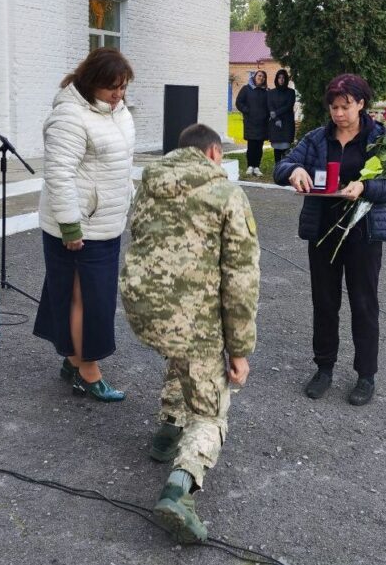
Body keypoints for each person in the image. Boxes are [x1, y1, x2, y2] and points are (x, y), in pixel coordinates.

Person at [120, 123, 259, 543]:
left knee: (180, 352)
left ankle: (167, 429)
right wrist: (239, 350)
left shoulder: (148, 182)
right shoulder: (227, 194)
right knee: (211, 411)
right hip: (192, 319)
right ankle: (180, 489)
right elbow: (241, 280)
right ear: (214, 153)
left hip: (144, 308)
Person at [273, 73, 386, 406]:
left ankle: (365, 375)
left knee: (364, 304)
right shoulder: (318, 139)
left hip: (363, 234)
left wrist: (366, 187)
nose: (339, 114)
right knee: (324, 302)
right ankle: (323, 369)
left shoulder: (380, 140)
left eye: (345, 107)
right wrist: (293, 171)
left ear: (361, 104)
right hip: (323, 232)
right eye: (334, 107)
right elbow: (282, 166)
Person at [33, 47, 135, 402]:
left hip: (105, 222)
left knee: (88, 296)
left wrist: (128, 197)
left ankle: (72, 359)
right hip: (78, 227)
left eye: (123, 87)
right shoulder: (70, 116)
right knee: (86, 299)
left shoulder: (115, 110)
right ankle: (87, 371)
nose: (119, 94)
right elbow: (58, 174)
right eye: (112, 87)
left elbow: (119, 162)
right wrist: (70, 227)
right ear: (93, 81)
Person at [235, 69, 268, 176]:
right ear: (255, 77)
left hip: (262, 123)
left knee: (259, 146)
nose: (261, 78)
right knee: (251, 146)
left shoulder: (266, 91)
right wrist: (247, 111)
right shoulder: (246, 89)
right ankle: (250, 166)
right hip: (250, 122)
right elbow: (239, 102)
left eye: (263, 77)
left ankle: (257, 167)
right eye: (259, 76)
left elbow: (270, 105)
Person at [267, 68, 296, 163]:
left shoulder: (291, 92)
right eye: (279, 77)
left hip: (286, 123)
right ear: (276, 79)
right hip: (275, 123)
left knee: (285, 148)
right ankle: (277, 166)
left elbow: (288, 106)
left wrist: (276, 113)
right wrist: (276, 119)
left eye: (283, 78)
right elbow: (270, 106)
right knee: (276, 148)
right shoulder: (271, 92)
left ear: (286, 79)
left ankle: (284, 167)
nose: (281, 80)